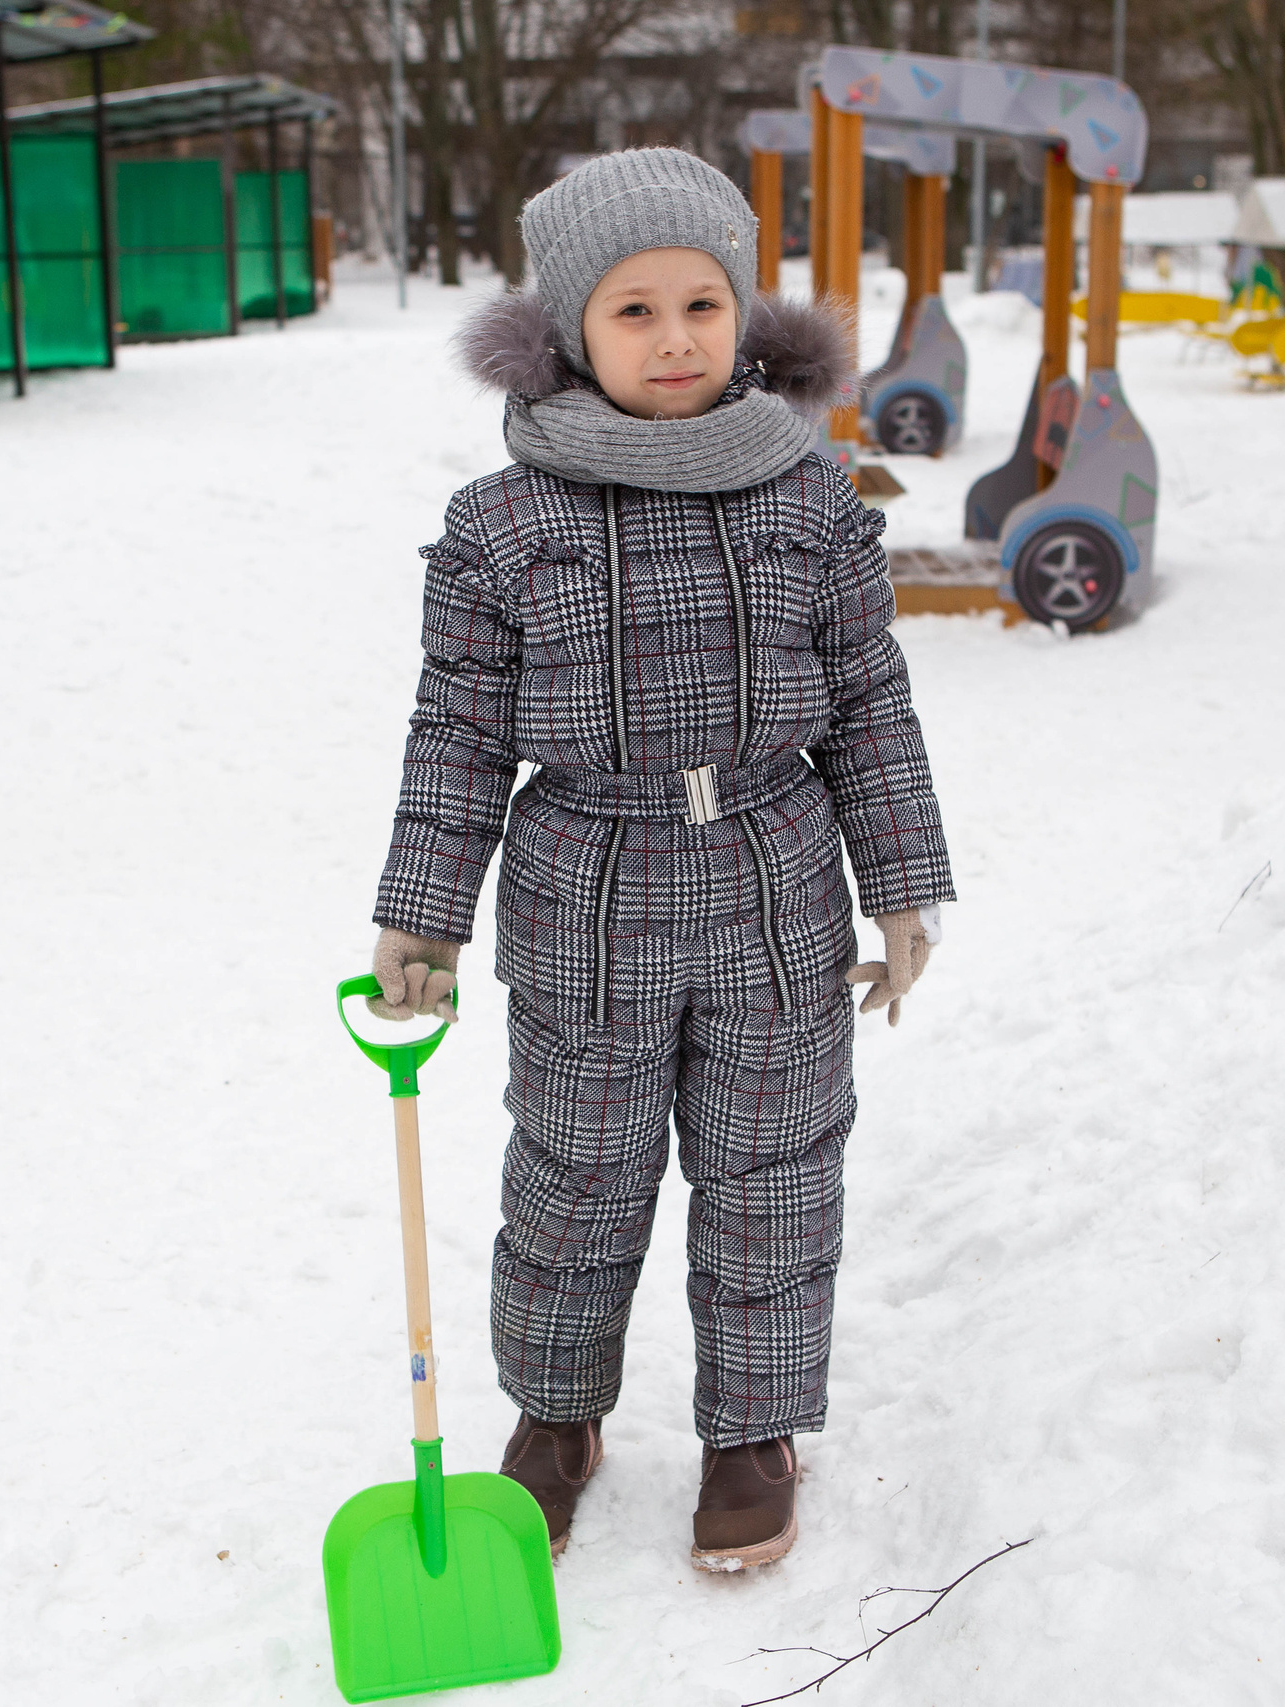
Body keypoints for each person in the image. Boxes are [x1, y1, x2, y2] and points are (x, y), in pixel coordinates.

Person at [367, 148, 954, 1572]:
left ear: (746, 316)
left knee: (773, 1171)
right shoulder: (504, 524)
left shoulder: (811, 498)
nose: (676, 338)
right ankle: (557, 1414)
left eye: (703, 304)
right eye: (635, 311)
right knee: (575, 1174)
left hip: (773, 886)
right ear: (570, 330)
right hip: (586, 897)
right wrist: (424, 918)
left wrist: (900, 882)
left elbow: (869, 701)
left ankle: (753, 1428)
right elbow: (458, 734)